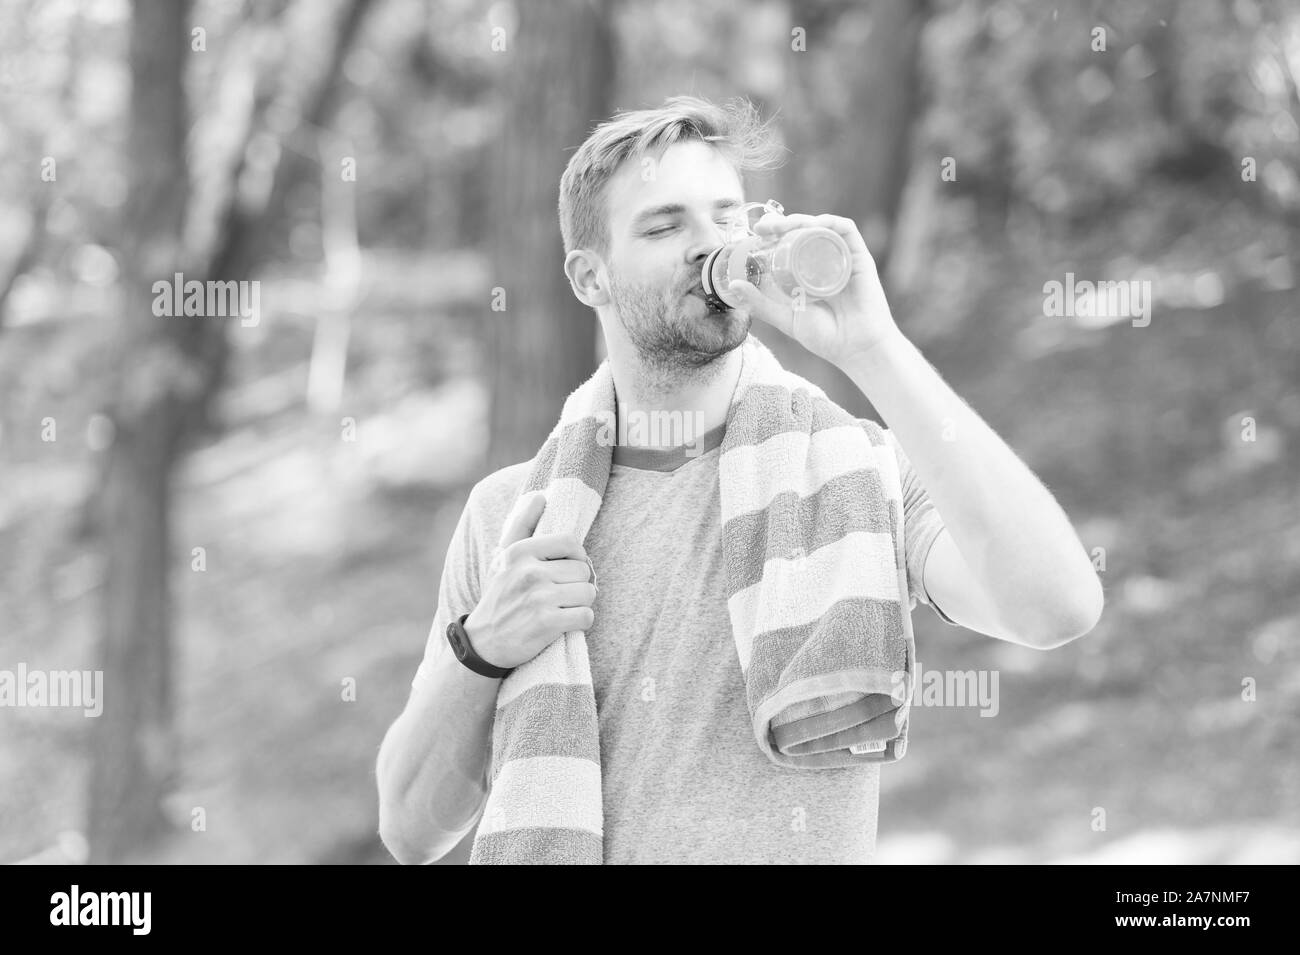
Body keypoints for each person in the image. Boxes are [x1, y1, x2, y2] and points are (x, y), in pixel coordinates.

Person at [376, 95, 1103, 865]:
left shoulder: (853, 475)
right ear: (589, 277)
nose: (709, 245)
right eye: (665, 225)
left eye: (728, 217)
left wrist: (874, 349)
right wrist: (483, 646)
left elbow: (1059, 605)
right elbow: (410, 829)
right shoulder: (512, 516)